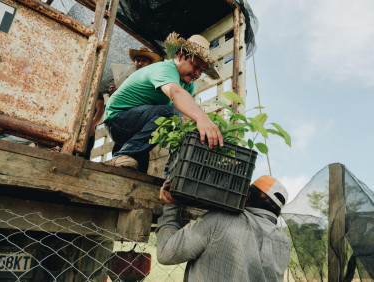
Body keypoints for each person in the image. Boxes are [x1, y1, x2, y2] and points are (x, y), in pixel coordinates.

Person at [103, 32, 223, 173]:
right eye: (195, 66)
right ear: (179, 57)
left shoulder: (188, 83)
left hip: (138, 126)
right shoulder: (165, 68)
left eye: (201, 71)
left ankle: (170, 174)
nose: (197, 74)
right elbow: (175, 93)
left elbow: (182, 119)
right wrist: (202, 117)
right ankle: (125, 153)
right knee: (173, 114)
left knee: (136, 171)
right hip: (117, 119)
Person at [156, 175, 291, 282]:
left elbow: (166, 253)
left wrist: (171, 208)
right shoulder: (284, 242)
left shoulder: (220, 219)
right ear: (277, 212)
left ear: (247, 195)